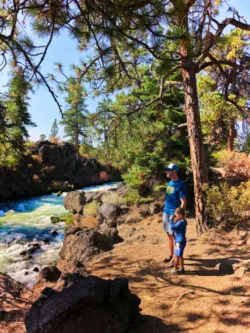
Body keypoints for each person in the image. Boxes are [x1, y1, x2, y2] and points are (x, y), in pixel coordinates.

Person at [162, 163, 187, 265]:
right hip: (166, 212)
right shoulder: (169, 183)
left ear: (174, 171)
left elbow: (183, 201)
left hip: (174, 214)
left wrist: (179, 217)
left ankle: (175, 260)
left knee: (175, 237)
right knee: (169, 235)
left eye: (168, 169)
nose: (166, 171)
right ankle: (171, 255)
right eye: (166, 169)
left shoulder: (180, 185)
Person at [169, 207, 187, 274]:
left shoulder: (181, 222)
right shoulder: (183, 221)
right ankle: (182, 268)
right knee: (180, 255)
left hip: (179, 242)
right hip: (181, 241)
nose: (175, 216)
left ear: (180, 215)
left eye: (176, 215)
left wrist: (171, 220)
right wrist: (175, 220)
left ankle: (175, 269)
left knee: (176, 256)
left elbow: (173, 227)